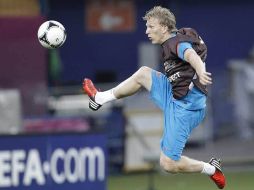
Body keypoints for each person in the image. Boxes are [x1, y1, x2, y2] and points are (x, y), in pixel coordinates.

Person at [83, 6, 225, 189]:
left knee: (168, 164)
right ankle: (99, 98)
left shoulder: (175, 42)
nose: (147, 31)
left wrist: (201, 70)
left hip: (186, 108)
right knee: (143, 74)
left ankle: (212, 169)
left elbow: (190, 54)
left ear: (164, 27)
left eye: (151, 26)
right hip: (174, 94)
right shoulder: (173, 40)